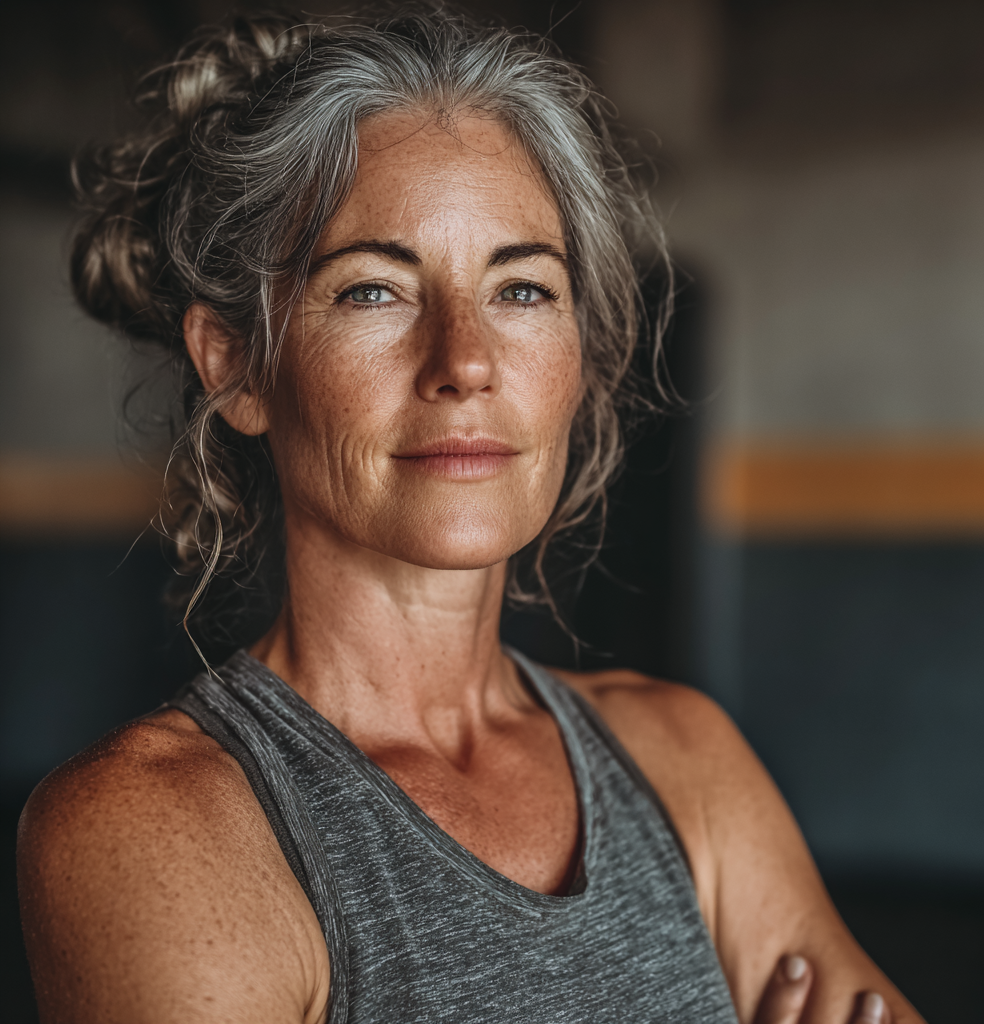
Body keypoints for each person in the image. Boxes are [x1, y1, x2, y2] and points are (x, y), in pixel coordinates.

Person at [17, 8, 923, 1024]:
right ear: (236, 365)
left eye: (522, 288)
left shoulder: (683, 759)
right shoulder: (156, 827)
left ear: (581, 356)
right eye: (373, 291)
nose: (467, 362)